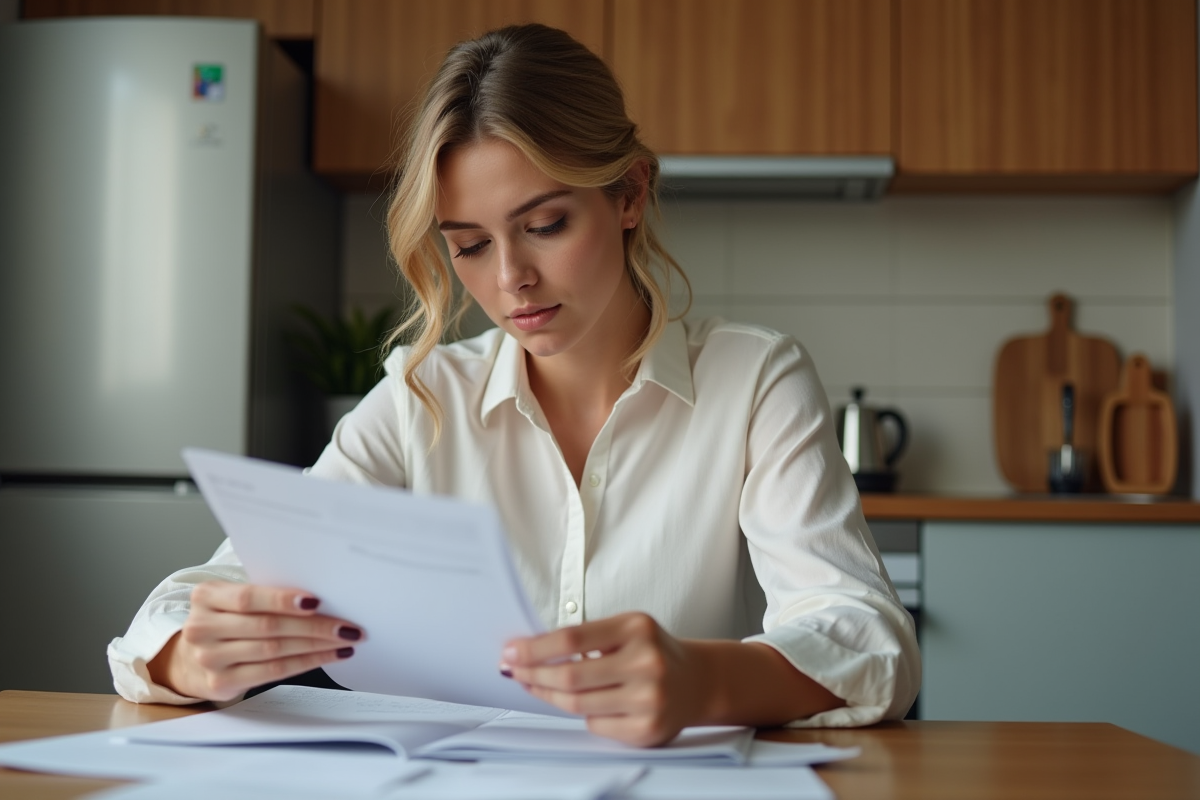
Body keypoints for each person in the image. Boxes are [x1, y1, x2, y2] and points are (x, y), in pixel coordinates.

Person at [109, 23, 920, 747]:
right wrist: (191, 653)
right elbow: (192, 601)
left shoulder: (754, 380)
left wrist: (703, 680)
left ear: (630, 194)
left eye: (545, 226)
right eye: (467, 245)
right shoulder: (422, 397)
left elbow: (867, 638)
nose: (510, 281)